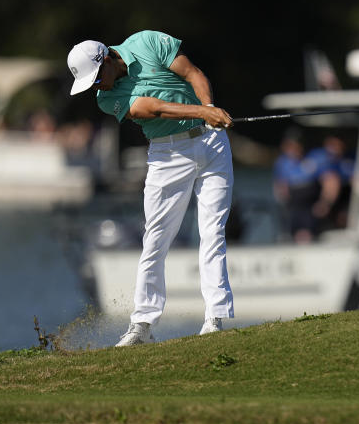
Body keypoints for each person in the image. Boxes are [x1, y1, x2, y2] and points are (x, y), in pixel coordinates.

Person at [67, 31, 235, 346]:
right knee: (155, 239)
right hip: (167, 154)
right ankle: (142, 324)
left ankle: (215, 318)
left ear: (107, 60)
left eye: (96, 79)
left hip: (212, 145)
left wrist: (209, 107)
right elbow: (152, 108)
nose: (96, 88)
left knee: (212, 231)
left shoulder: (147, 42)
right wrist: (203, 111)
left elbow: (192, 73)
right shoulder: (107, 99)